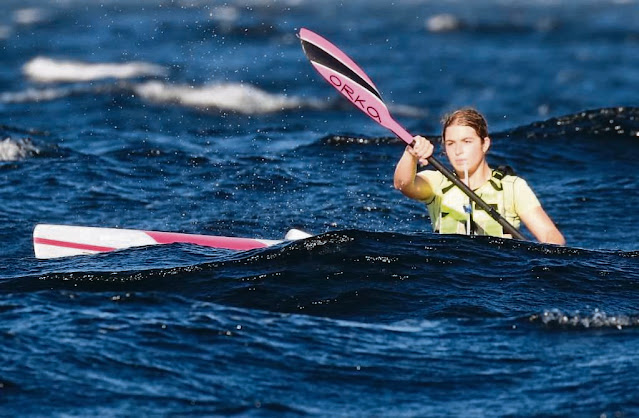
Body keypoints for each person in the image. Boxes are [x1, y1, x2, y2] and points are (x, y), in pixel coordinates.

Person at [393, 108, 565, 245]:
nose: (458, 151)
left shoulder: (512, 187)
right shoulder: (437, 183)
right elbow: (402, 184)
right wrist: (410, 154)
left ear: (484, 144)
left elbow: (550, 235)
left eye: (467, 142)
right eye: (451, 144)